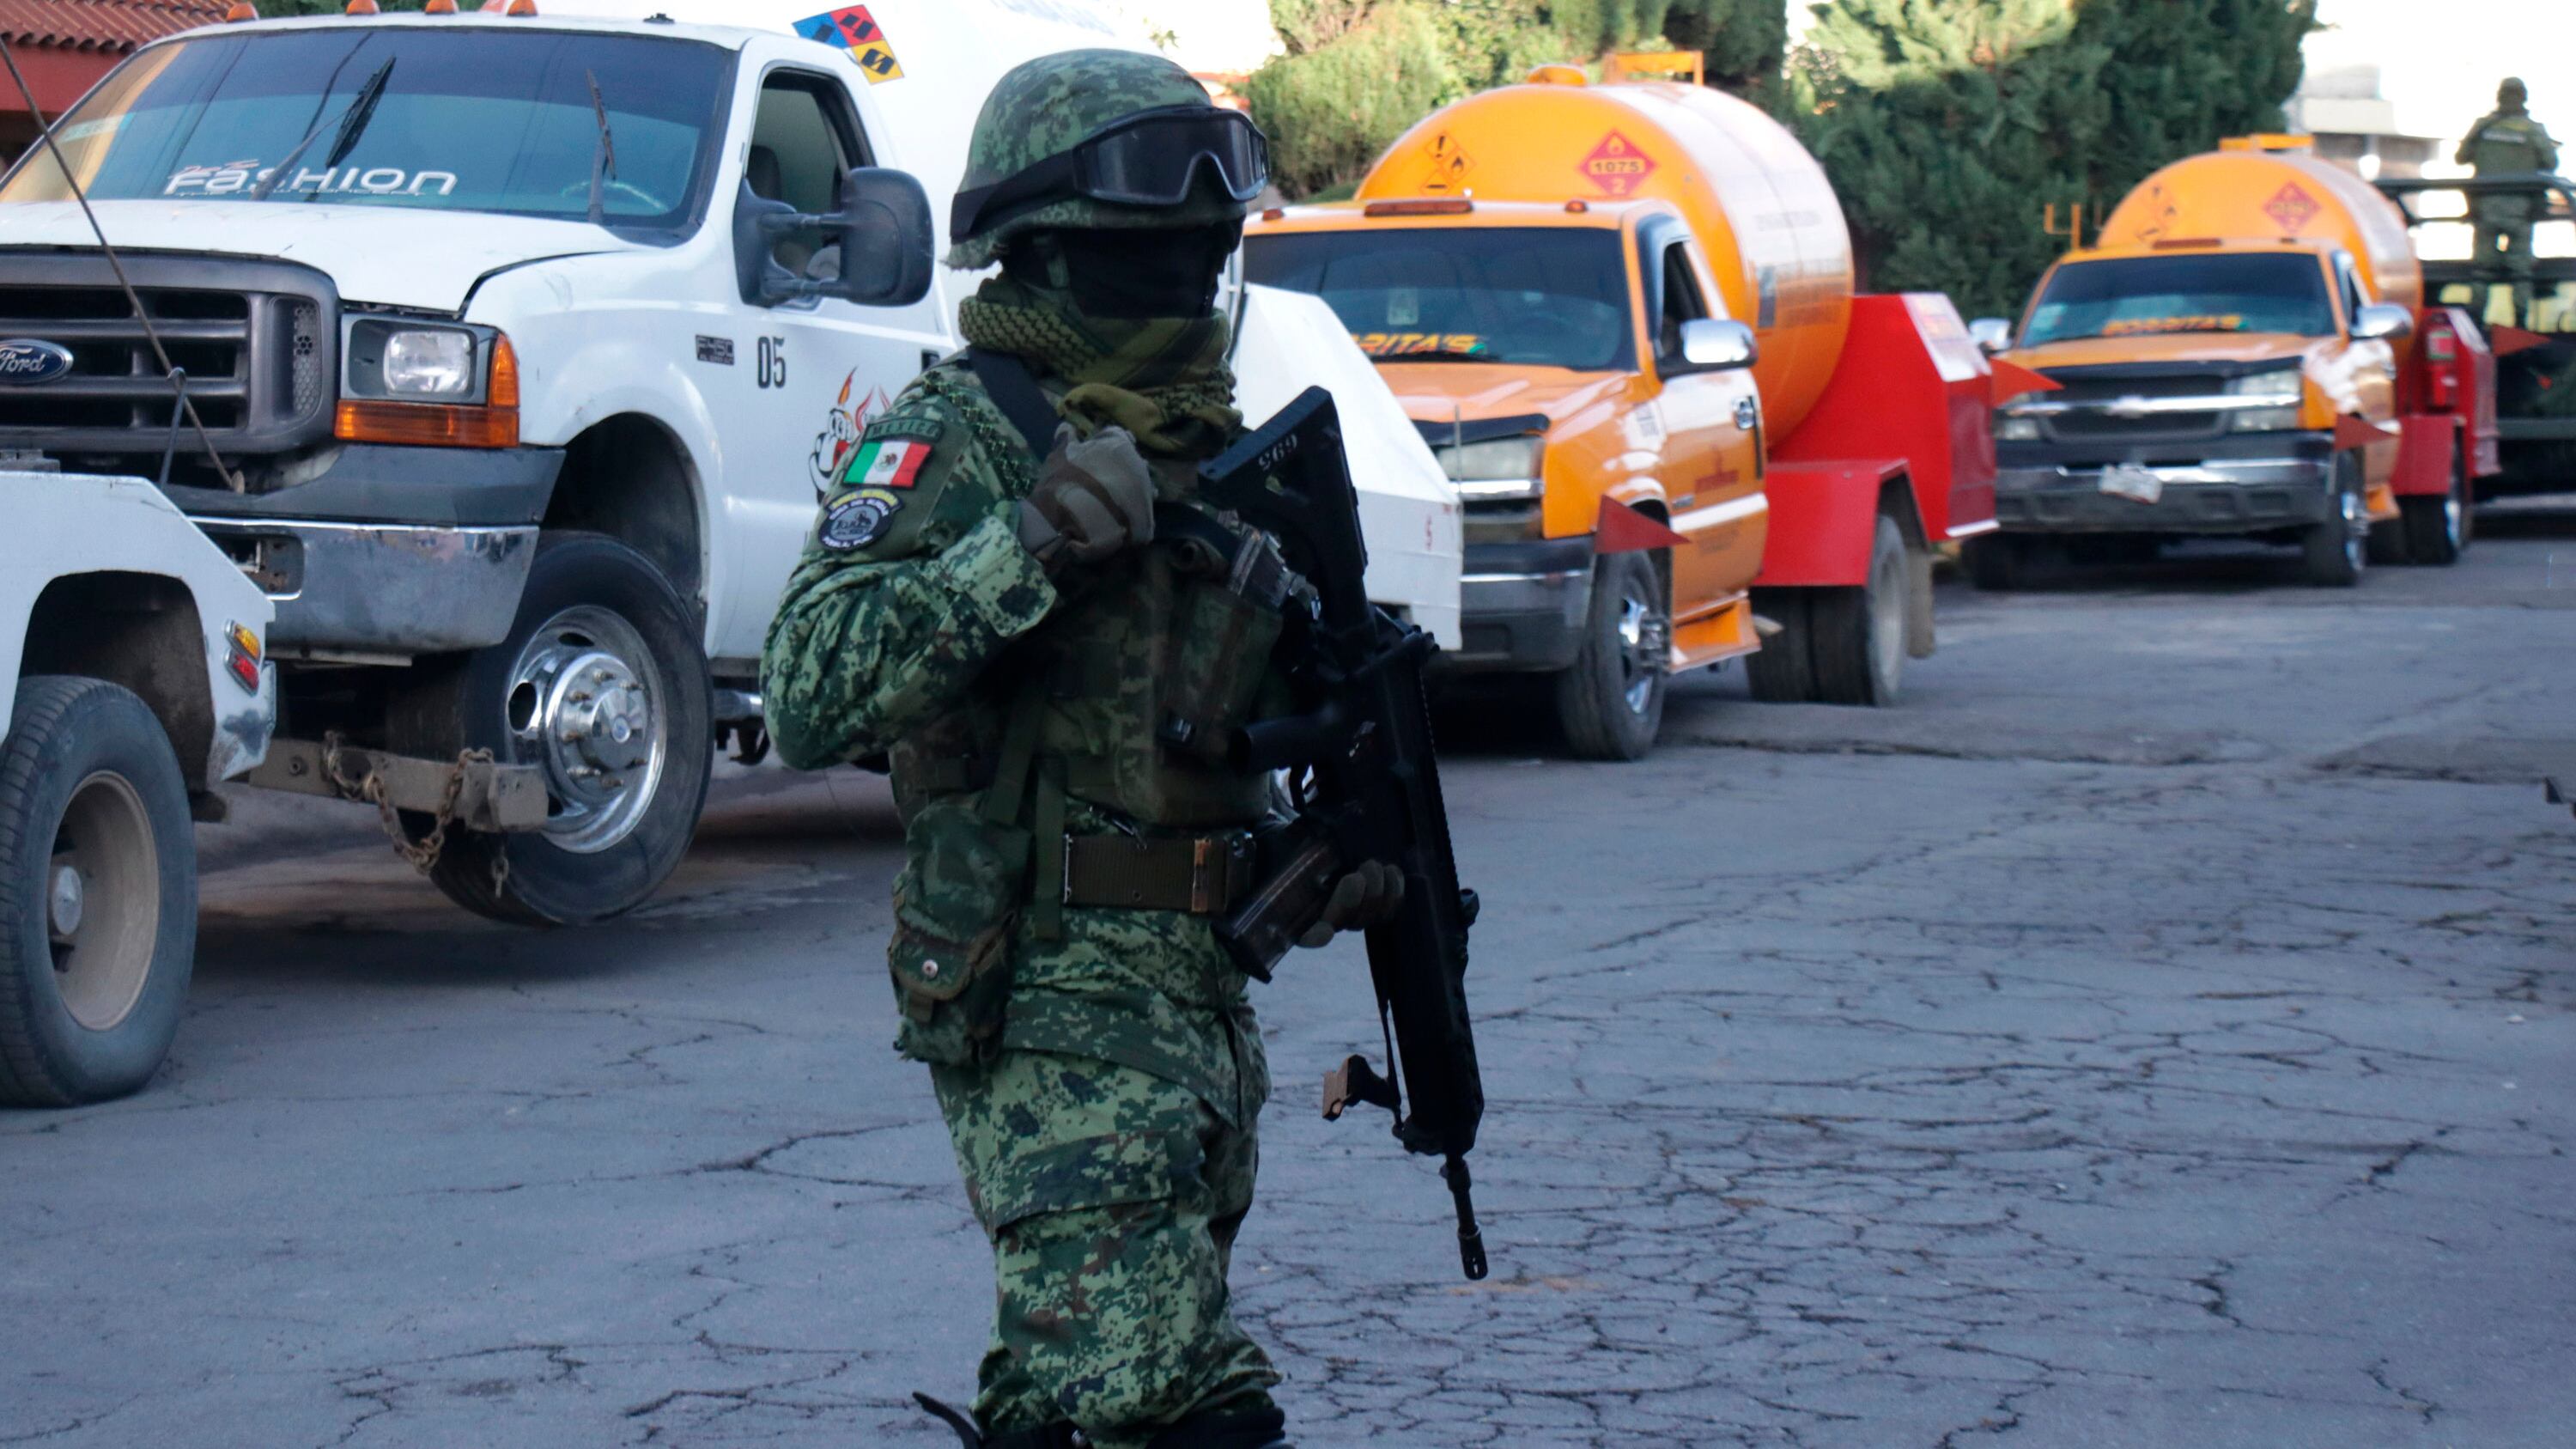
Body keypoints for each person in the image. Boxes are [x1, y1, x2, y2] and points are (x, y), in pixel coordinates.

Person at [759, 50, 1399, 1449]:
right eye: (1145, 260)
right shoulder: (964, 436)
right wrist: (1027, 544)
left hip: (1197, 1002)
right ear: (1043, 257)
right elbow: (808, 689)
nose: (1181, 292)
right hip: (1045, 993)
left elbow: (1226, 728)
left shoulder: (1215, 460)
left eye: (1202, 257)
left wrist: (1336, 844)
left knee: (1062, 1404)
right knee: (1176, 1409)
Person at [2458, 76, 2561, 322]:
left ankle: (2476, 323)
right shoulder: (2533, 130)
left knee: (2482, 271)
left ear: (2499, 96)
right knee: (2521, 273)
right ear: (2523, 97)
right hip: (2520, 210)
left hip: (2485, 208)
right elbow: (2550, 163)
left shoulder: (2483, 127)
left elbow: (2462, 157)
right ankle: (2521, 325)